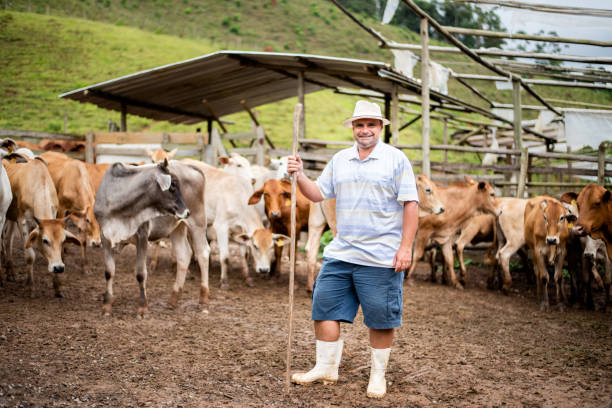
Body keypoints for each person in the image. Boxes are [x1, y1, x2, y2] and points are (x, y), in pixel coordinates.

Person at [287, 100, 419, 399]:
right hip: (341, 253)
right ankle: (326, 367)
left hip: (381, 256)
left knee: (381, 318)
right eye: (359, 125)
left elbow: (411, 204)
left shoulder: (396, 159)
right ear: (353, 128)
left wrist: (405, 248)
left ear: (380, 127)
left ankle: (377, 376)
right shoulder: (341, 159)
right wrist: (300, 175)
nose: (365, 130)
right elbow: (318, 194)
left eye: (371, 124)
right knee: (323, 310)